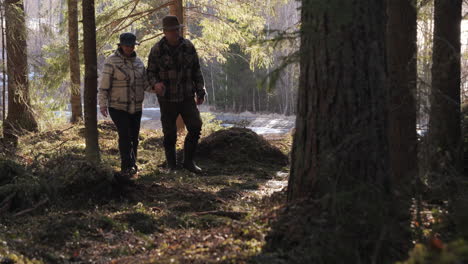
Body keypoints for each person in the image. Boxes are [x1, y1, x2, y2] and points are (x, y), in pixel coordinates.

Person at [147, 15, 207, 173]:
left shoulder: (188, 46)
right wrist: (155, 84)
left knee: (195, 127)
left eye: (177, 30)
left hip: (187, 96)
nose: (175, 33)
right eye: (172, 30)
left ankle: (188, 162)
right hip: (167, 98)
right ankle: (171, 166)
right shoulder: (157, 50)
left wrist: (200, 91)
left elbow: (196, 71)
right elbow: (150, 72)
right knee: (169, 133)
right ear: (165, 32)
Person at [98, 32, 150, 179]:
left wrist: (158, 88)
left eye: (132, 45)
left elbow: (146, 84)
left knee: (134, 136)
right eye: (127, 45)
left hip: (137, 107)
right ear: (120, 45)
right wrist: (102, 104)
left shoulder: (139, 62)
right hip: (117, 106)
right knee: (125, 135)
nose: (129, 48)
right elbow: (104, 86)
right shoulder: (111, 61)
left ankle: (133, 164)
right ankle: (126, 166)